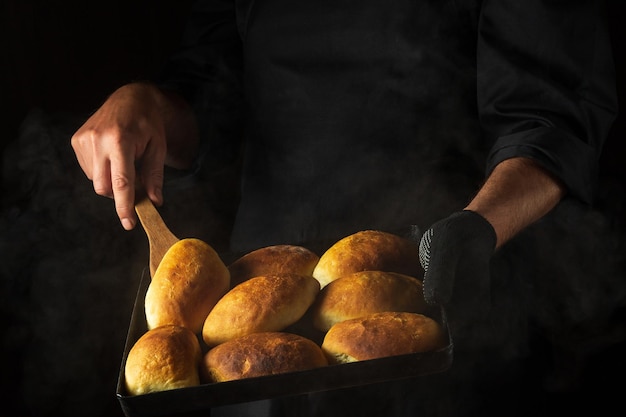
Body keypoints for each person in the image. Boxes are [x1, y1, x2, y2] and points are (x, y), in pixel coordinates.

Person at [71, 0, 617, 415]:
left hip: (440, 271)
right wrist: (147, 106)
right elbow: (213, 92)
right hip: (256, 318)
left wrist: (479, 227)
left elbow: (552, 118)